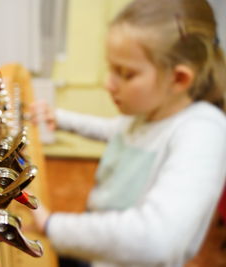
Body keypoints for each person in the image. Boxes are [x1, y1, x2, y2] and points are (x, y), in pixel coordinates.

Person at [30, 0, 226, 266]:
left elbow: (156, 240)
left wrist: (53, 225)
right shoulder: (152, 110)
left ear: (179, 79)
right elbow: (115, 132)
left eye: (126, 73)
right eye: (111, 69)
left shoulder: (203, 133)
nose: (108, 84)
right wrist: (61, 118)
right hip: (97, 239)